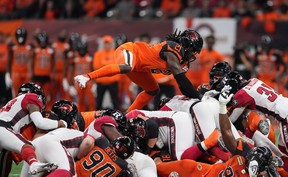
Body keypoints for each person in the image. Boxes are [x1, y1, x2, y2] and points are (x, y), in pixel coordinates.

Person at [156, 86, 276, 177]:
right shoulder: (245, 151)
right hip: (202, 169)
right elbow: (226, 131)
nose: (248, 160)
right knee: (158, 168)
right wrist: (222, 106)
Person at [74, 29, 203, 112]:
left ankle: (127, 115)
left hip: (140, 68)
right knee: (126, 67)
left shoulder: (183, 61)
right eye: (193, 50)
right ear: (186, 45)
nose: (193, 55)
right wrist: (199, 97)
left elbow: (183, 85)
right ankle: (86, 76)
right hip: (132, 51)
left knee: (153, 90)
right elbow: (180, 78)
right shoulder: (175, 48)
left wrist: (196, 98)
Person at [0, 83, 66, 177]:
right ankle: (34, 164)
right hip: (3, 127)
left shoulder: (13, 104)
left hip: (5, 130)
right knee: (28, 146)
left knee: (2, 175)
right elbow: (40, 123)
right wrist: (60, 123)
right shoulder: (31, 97)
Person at [93, 35, 120, 110]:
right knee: (99, 102)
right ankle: (97, 118)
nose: (107, 45)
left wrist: (104, 66)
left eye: (108, 43)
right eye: (105, 43)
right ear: (103, 44)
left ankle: (118, 118)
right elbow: (96, 66)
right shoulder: (98, 54)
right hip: (101, 82)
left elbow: (117, 67)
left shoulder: (116, 53)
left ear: (111, 44)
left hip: (113, 82)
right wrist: (109, 66)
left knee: (115, 101)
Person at [6, 27, 33, 97]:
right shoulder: (13, 47)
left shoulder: (29, 47)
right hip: (16, 73)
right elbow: (9, 61)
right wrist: (7, 74)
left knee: (26, 96)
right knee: (16, 95)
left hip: (26, 73)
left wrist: (32, 73)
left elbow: (32, 61)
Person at [32, 31, 55, 109]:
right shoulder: (35, 50)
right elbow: (31, 62)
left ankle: (46, 113)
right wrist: (31, 74)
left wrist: (53, 74)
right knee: (36, 96)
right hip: (37, 76)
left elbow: (53, 63)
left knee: (46, 96)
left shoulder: (50, 51)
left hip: (46, 76)